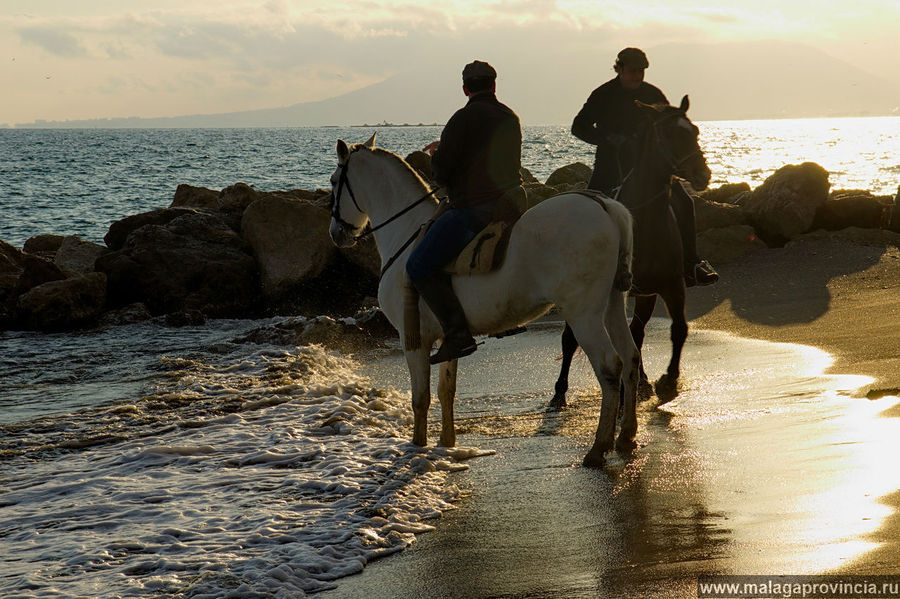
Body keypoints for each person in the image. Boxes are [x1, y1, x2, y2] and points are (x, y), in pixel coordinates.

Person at [407, 60, 524, 364]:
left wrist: (436, 155)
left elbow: (443, 173)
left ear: (465, 88)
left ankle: (457, 334)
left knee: (418, 266)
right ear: (494, 85)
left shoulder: (463, 118)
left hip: (476, 211)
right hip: (512, 206)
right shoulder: (510, 116)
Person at [571, 47, 718, 286]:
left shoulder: (653, 94)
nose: (637, 76)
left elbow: (671, 128)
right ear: (618, 69)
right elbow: (578, 126)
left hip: (651, 168)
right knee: (589, 210)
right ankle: (583, 266)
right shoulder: (603, 94)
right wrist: (607, 138)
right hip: (612, 164)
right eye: (632, 71)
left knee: (684, 201)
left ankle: (692, 263)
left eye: (641, 72)